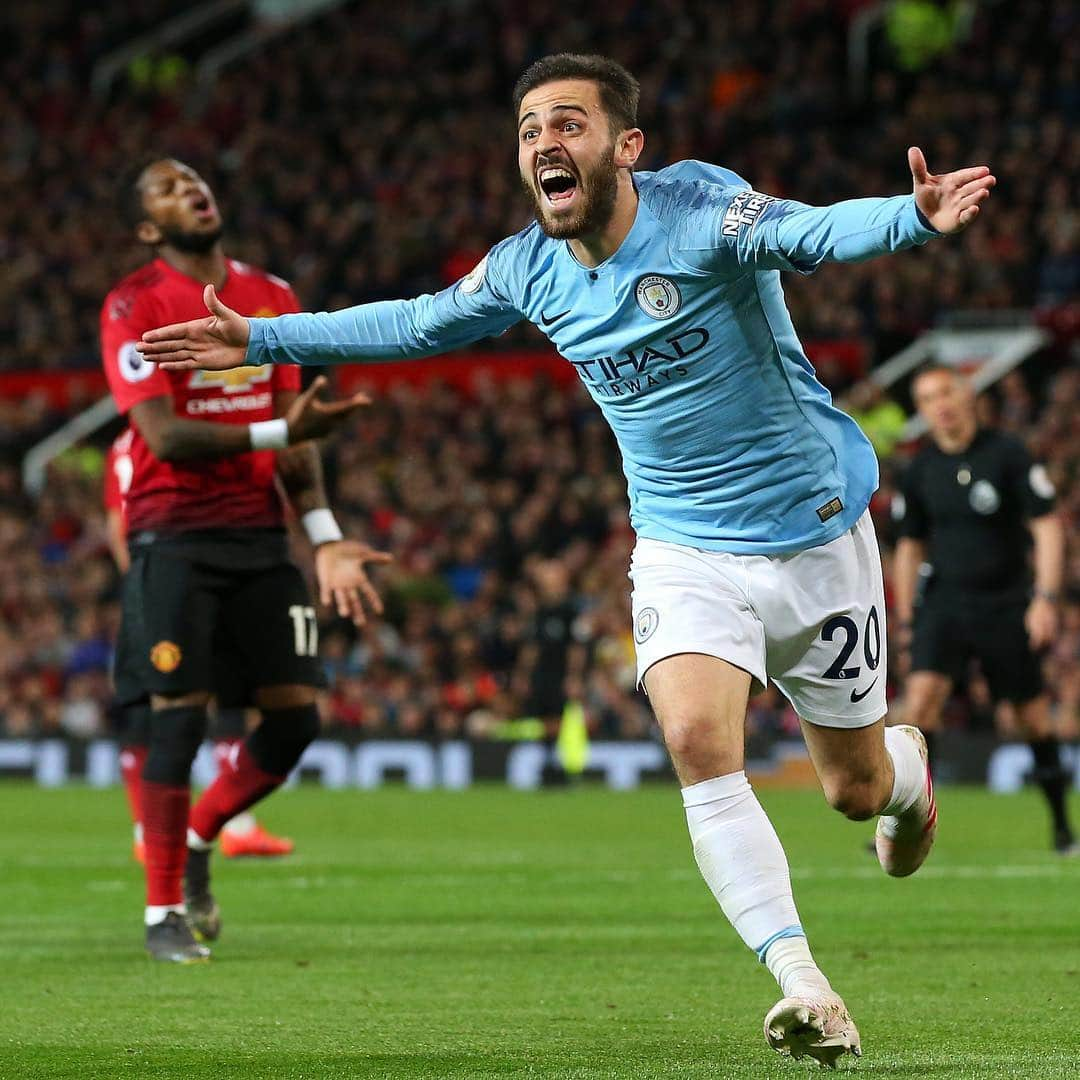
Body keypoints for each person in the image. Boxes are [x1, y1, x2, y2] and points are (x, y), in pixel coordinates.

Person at [136, 54, 996, 1063]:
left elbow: (807, 231)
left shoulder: (703, 209)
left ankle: (906, 774)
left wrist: (909, 215)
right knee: (693, 740)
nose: (545, 142)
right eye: (530, 128)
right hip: (683, 547)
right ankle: (805, 986)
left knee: (851, 787)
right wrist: (265, 338)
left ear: (626, 147)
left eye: (569, 123)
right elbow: (415, 322)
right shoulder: (526, 269)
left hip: (815, 535)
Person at [102, 157, 390, 963]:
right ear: (150, 228)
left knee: (296, 718)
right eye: (165, 187)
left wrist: (328, 538)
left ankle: (201, 833)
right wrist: (278, 435)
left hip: (262, 537)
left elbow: (299, 429)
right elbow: (162, 436)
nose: (191, 188)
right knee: (179, 717)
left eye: (195, 179)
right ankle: (163, 912)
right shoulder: (134, 304)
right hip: (175, 534)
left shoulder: (273, 297)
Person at [893, 364, 1076, 853]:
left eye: (948, 391)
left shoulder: (1008, 454)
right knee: (920, 704)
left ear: (967, 394)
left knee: (1032, 718)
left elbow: (1048, 526)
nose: (941, 404)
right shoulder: (920, 469)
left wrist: (1045, 598)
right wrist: (909, 619)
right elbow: (909, 547)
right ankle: (908, 829)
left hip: (1005, 602)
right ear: (923, 410)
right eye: (929, 397)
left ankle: (1061, 826)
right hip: (944, 602)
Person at [104, 427, 297, 864]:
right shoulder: (167, 437)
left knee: (202, 700)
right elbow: (122, 524)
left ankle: (221, 826)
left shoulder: (129, 443)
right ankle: (179, 830)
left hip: (169, 579)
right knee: (167, 707)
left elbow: (117, 523)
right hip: (174, 576)